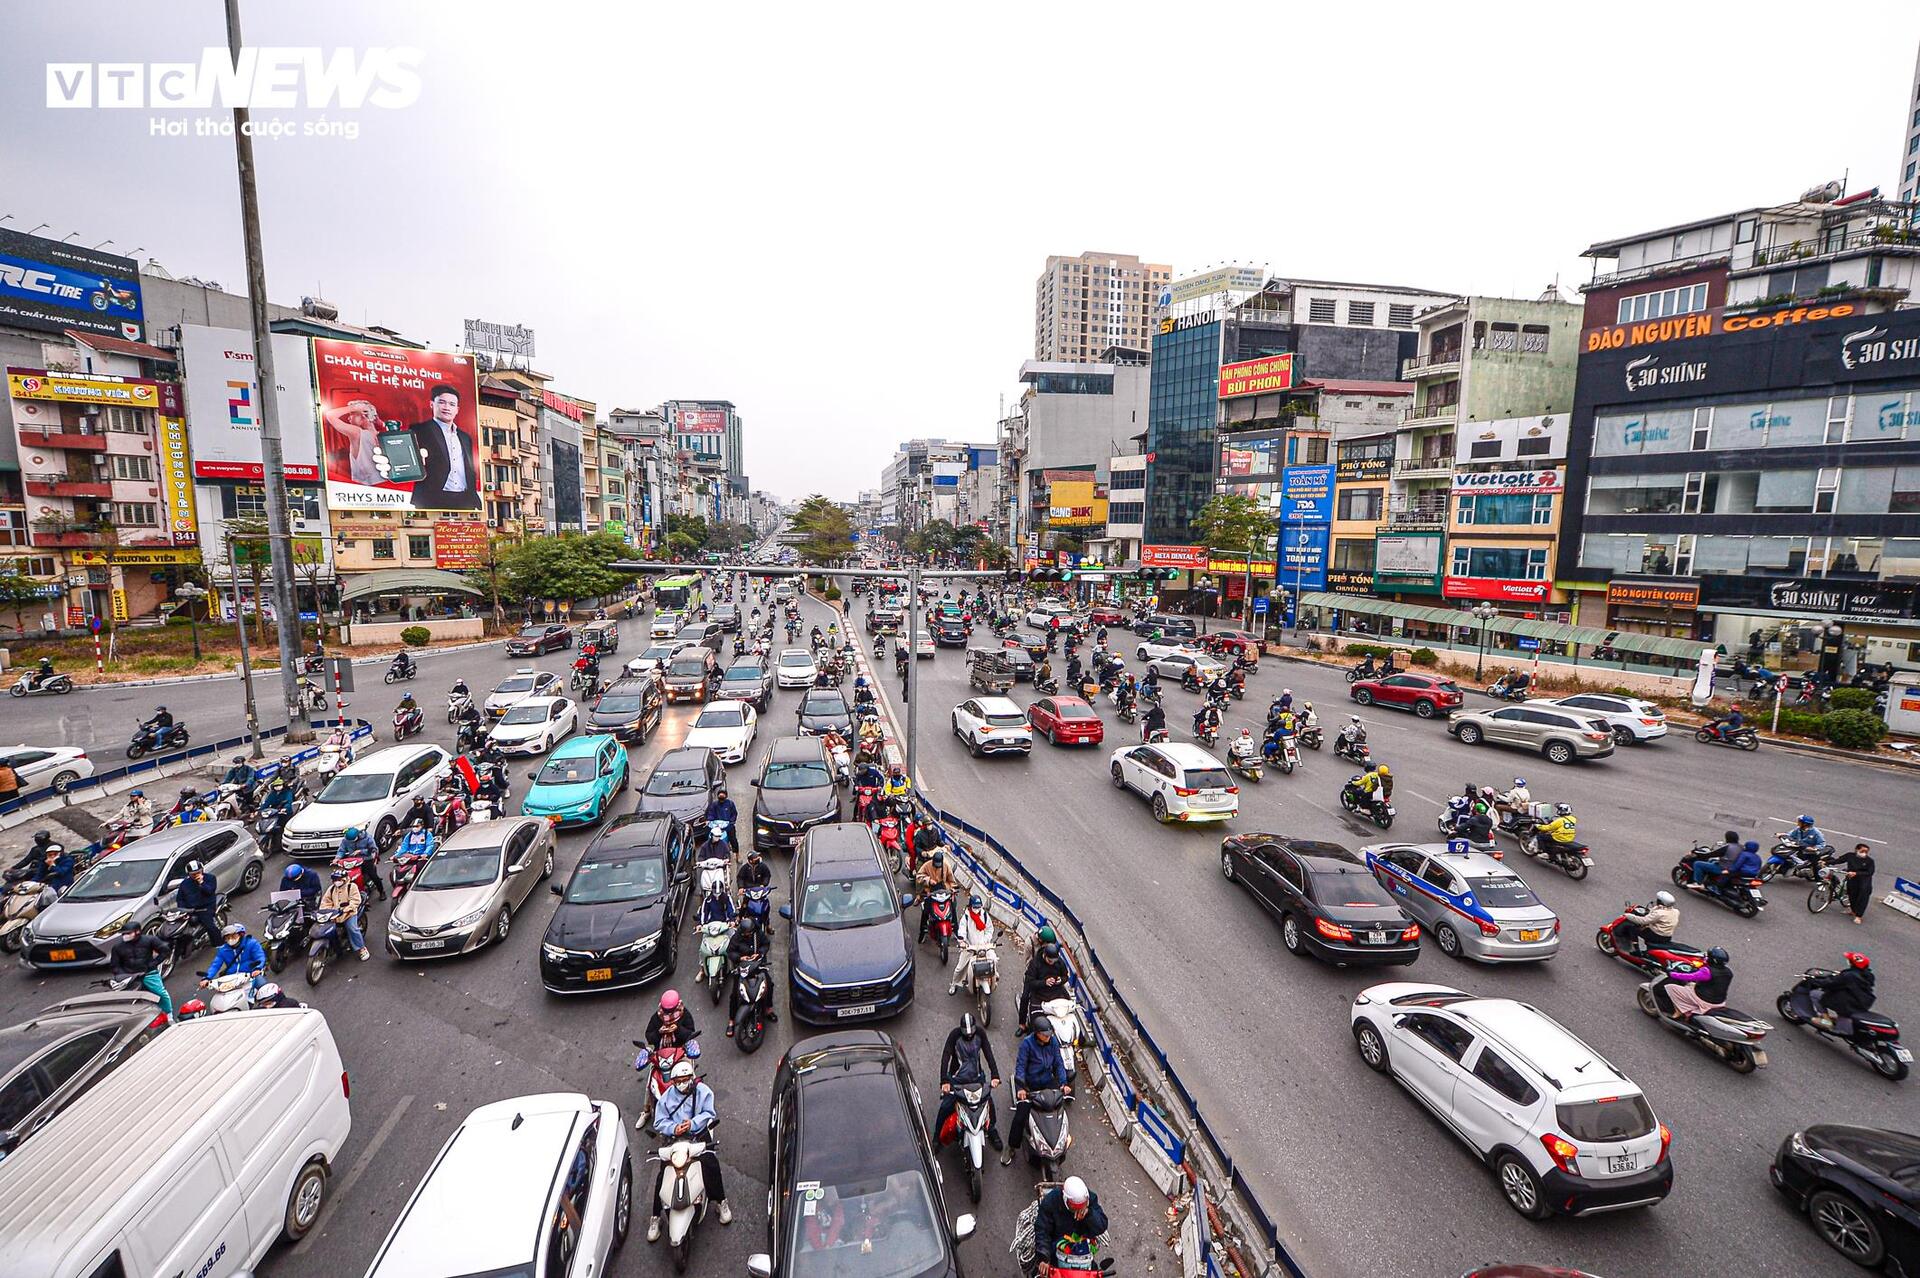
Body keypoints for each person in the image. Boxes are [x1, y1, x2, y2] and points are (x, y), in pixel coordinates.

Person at [646, 1060, 730, 1240]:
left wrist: (692, 1123)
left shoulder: (704, 1092)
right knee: (663, 1175)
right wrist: (674, 1128)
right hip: (675, 1139)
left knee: (711, 1164)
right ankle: (655, 1216)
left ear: (691, 1078)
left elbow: (709, 1113)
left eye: (685, 1080)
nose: (682, 1084)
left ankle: (721, 1201)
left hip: (698, 1135)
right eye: (678, 1081)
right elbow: (659, 1122)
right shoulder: (667, 1098)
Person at [1000, 1015, 1072, 1165]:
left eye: (1049, 1034)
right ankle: (1011, 1147)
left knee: (1059, 1110)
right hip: (1030, 1085)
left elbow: (1059, 1064)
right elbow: (1020, 1067)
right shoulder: (1027, 1044)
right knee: (1020, 1116)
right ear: (1037, 1033)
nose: (1048, 1037)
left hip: (1047, 1082)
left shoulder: (1053, 1042)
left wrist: (1063, 1084)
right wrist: (1021, 1088)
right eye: (1045, 1034)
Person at [933, 1013, 1002, 1149]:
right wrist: (944, 1081)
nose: (969, 1036)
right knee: (945, 1107)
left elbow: (988, 1053)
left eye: (972, 1033)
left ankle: (992, 1129)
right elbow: (945, 1056)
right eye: (966, 1033)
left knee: (989, 1105)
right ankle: (936, 1137)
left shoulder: (980, 1034)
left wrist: (995, 1075)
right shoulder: (954, 1035)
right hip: (957, 1080)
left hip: (977, 1078)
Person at [1035, 1176, 1109, 1274]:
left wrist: (1089, 1214)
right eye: (1075, 1209)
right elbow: (1042, 1231)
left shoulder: (1091, 1199)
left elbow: (1101, 1226)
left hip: (1082, 1252)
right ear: (1066, 1200)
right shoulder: (1051, 1202)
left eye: (1082, 1208)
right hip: (1057, 1250)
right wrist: (1044, 1257)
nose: (1078, 1212)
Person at [109, 918, 174, 1020]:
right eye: (123, 934)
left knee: (161, 994)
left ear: (137, 932)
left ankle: (169, 1015)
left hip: (149, 973)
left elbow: (165, 951)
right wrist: (122, 976)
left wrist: (153, 963)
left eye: (128, 933)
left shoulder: (150, 940)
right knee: (125, 999)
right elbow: (115, 965)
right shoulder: (117, 947)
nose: (125, 936)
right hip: (130, 976)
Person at [723, 920, 776, 1036]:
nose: (749, 934)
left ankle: (768, 1009)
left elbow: (766, 944)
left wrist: (760, 954)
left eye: (750, 932)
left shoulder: (758, 934)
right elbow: (730, 952)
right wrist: (741, 958)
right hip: (743, 968)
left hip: (758, 965)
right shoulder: (737, 937)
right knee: (734, 994)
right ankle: (731, 1021)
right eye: (747, 933)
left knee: (769, 984)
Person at [1657, 946, 1733, 1020]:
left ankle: (1679, 1010)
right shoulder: (1729, 972)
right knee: (1690, 985)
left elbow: (1689, 977)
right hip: (1720, 1002)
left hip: (1705, 1000)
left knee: (1671, 988)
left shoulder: (1707, 972)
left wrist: (1671, 974)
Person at [1806, 952, 1876, 1032]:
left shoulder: (1849, 975)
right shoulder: (1868, 975)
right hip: (1860, 1003)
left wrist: (1813, 980)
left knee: (1815, 994)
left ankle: (1826, 1021)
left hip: (1848, 1004)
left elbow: (1829, 983)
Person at [316, 865, 370, 961]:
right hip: (334, 915)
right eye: (335, 879)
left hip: (348, 914)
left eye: (339, 879)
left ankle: (362, 949)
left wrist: (346, 909)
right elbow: (325, 902)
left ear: (344, 879)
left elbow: (355, 901)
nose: (337, 881)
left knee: (352, 929)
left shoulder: (352, 887)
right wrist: (326, 910)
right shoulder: (331, 889)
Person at [1020, 934, 1071, 1028]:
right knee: (1025, 999)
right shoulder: (1035, 964)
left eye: (1054, 961)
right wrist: (1044, 983)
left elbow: (1065, 976)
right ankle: (1022, 1024)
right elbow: (1030, 981)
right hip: (1039, 994)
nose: (1052, 963)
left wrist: (1061, 980)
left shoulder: (1059, 962)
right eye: (1050, 961)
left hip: (1056, 992)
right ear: (1044, 955)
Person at [950, 893, 994, 995]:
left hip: (983, 947)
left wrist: (986, 940)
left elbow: (989, 929)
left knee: (993, 960)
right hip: (970, 946)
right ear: (970, 906)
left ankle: (993, 979)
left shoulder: (984, 915)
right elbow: (962, 930)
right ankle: (954, 983)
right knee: (960, 968)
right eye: (975, 907)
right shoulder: (966, 917)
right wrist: (963, 941)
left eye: (979, 907)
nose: (977, 909)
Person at [201, 921, 267, 988]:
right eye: (227, 938)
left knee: (262, 987)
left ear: (240, 935)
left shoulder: (252, 943)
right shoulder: (223, 950)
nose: (230, 939)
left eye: (233, 936)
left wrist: (257, 968)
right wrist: (206, 978)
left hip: (251, 974)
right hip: (232, 978)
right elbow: (215, 965)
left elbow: (260, 957)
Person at [1615, 890, 1680, 955]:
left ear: (1661, 902)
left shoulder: (1659, 913)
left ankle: (1636, 950)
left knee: (1632, 928)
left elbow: (1643, 921)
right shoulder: (1676, 911)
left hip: (1656, 935)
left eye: (1658, 900)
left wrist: (1628, 916)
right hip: (1667, 936)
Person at [914, 850, 960, 942]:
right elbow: (918, 876)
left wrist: (953, 890)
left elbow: (952, 881)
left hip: (944, 891)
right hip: (931, 892)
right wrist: (928, 880)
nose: (937, 866)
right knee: (925, 911)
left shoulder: (946, 865)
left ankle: (956, 930)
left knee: (953, 908)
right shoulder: (927, 865)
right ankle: (922, 932)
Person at [336, 825, 387, 901]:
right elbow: (341, 850)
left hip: (366, 859)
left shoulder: (367, 838)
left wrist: (361, 851)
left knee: (373, 876)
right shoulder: (345, 840)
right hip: (352, 860)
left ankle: (381, 891)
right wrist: (337, 858)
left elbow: (374, 849)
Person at [177, 859, 221, 947]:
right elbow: (180, 899)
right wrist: (183, 911)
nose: (196, 875)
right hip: (189, 910)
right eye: (193, 874)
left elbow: (210, 891)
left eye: (198, 872)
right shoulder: (184, 884)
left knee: (210, 926)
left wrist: (201, 882)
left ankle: (219, 943)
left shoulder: (210, 878)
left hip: (205, 908)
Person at [644, 989, 701, 1054]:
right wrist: (659, 1032)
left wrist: (678, 1029)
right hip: (661, 1053)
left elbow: (690, 1034)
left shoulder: (685, 1014)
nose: (668, 1015)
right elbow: (649, 1037)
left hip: (681, 1051)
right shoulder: (656, 1017)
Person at [1838, 843, 1876, 925]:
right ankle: (1853, 911)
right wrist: (1826, 862)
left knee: (1862, 898)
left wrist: (1856, 873)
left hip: (1864, 882)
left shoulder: (1869, 861)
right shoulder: (1850, 856)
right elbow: (1838, 860)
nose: (1864, 853)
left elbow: (1870, 872)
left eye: (1866, 852)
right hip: (1852, 880)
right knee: (1852, 895)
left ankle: (1859, 916)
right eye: (1862, 851)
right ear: (1856, 850)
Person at [704, 787, 739, 855]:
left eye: (723, 798)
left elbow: (734, 814)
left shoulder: (730, 804)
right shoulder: (714, 804)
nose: (721, 800)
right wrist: (708, 820)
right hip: (716, 826)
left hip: (727, 826)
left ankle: (737, 854)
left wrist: (731, 822)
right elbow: (711, 813)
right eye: (720, 798)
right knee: (707, 836)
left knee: (733, 840)